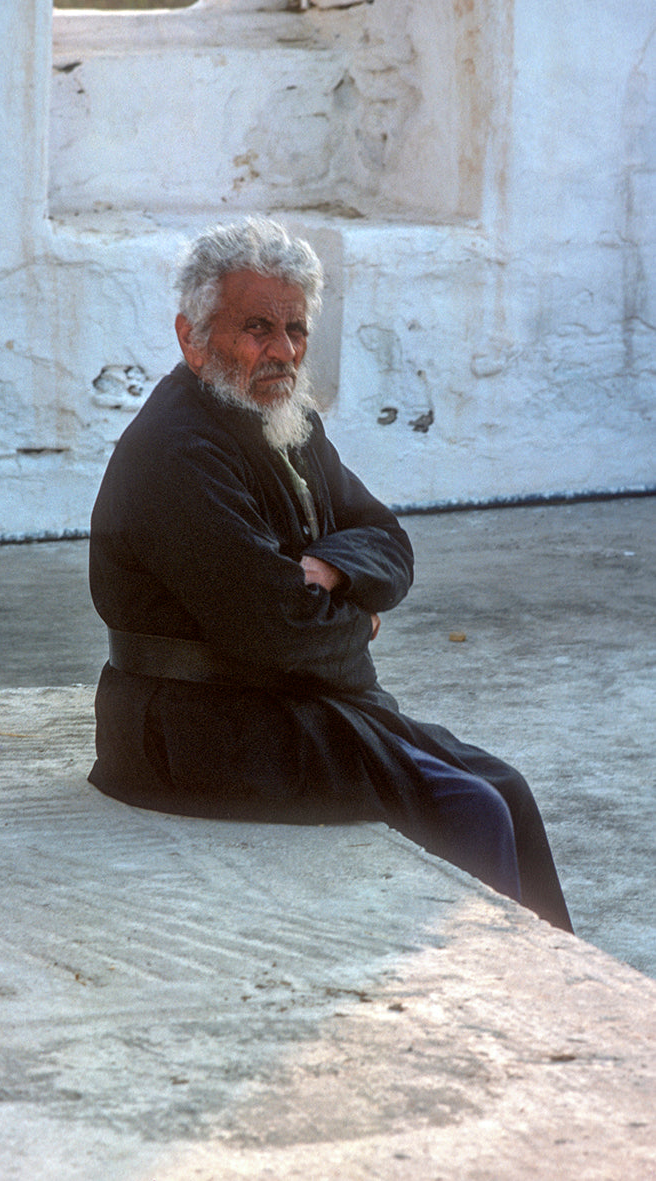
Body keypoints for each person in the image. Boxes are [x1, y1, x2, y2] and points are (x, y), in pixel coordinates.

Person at [88, 217, 573, 933]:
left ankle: (554, 996)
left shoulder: (284, 416)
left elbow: (387, 539)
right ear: (192, 338)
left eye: (295, 330)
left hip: (283, 698)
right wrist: (363, 618)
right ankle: (490, 995)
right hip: (193, 727)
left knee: (505, 788)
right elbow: (282, 627)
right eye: (256, 328)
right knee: (468, 808)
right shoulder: (177, 452)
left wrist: (333, 573)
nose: (282, 351)